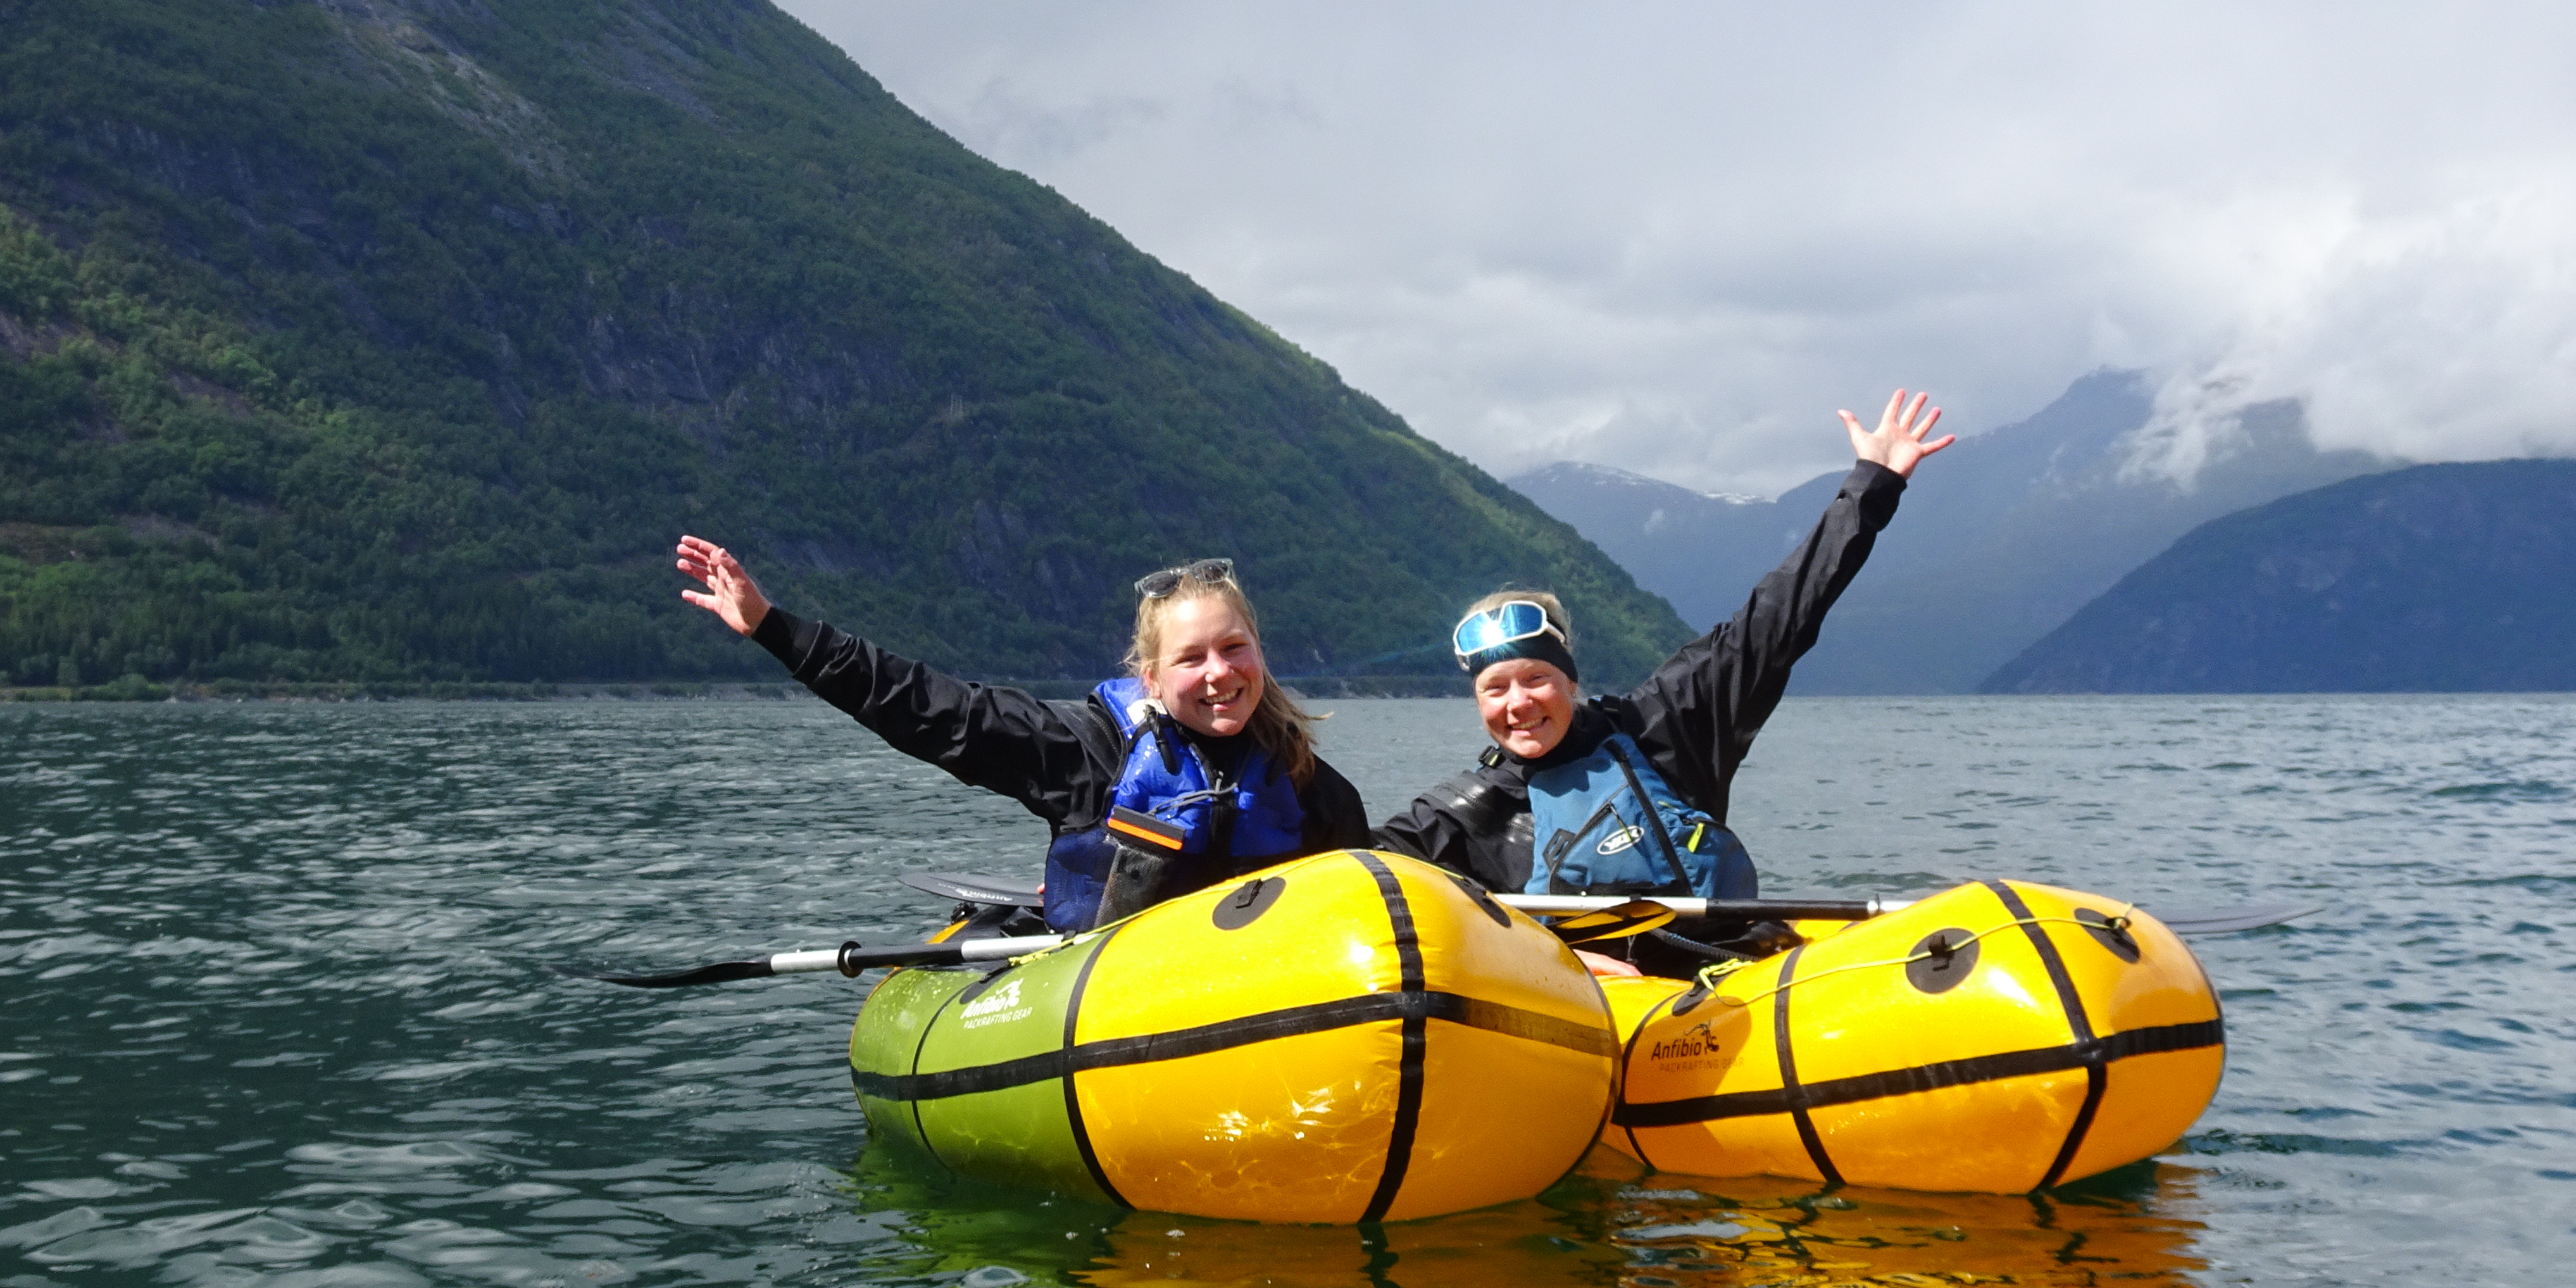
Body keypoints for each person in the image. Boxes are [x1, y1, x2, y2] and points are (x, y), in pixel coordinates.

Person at [1372, 389, 1953, 966]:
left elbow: (1779, 616)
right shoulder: (1466, 815)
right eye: (1494, 690)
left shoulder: (1666, 724)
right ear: (1478, 704)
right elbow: (1347, 862)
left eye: (1536, 679)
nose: (1519, 703)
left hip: (1721, 975)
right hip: (1592, 1008)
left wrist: (1873, 482)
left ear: (1571, 681)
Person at [673, 540, 1370, 931]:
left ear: (1259, 652)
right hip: (1110, 1006)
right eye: (1192, 658)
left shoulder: (1310, 785)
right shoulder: (1087, 752)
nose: (1219, 673)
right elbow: (931, 709)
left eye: (1234, 648)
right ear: (1152, 679)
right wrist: (775, 628)